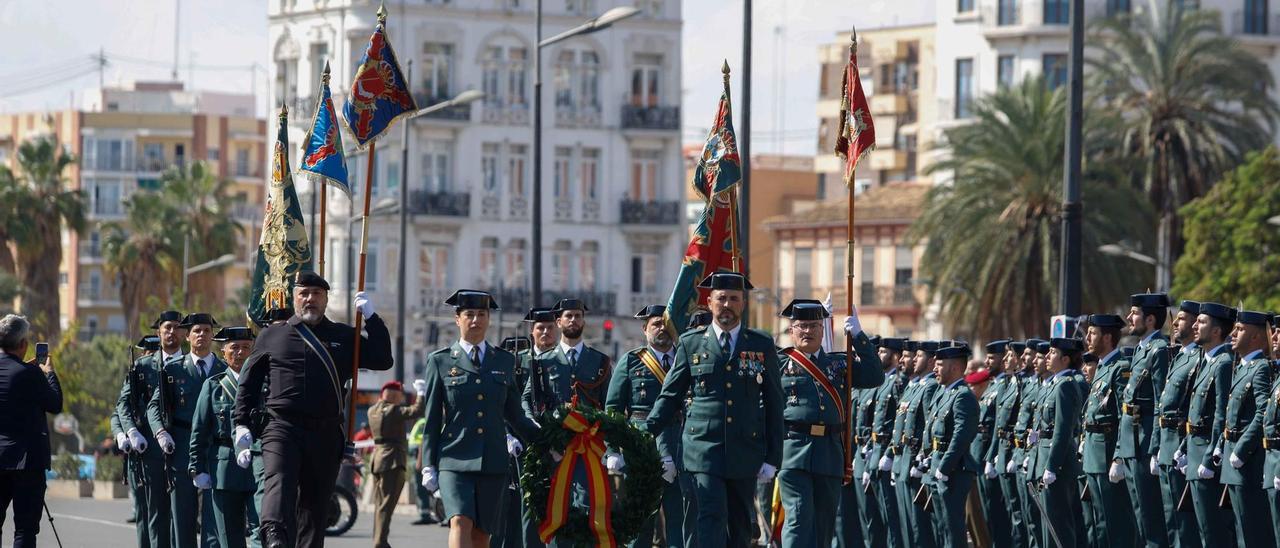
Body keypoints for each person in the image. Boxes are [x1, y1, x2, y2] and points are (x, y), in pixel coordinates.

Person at [232, 271, 393, 548]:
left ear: (326, 299)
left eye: (316, 294)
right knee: (279, 480)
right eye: (303, 293)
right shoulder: (273, 335)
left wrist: (372, 318)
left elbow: (383, 359)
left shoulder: (344, 335)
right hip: (282, 427)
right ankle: (273, 534)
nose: (310, 299)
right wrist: (241, 424)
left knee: (314, 509)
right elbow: (249, 383)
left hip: (325, 432)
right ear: (294, 298)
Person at [644, 272, 784, 548]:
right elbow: (670, 396)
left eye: (734, 299)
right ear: (710, 302)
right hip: (703, 449)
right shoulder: (690, 343)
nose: (727, 305)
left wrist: (773, 457)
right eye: (721, 299)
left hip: (745, 449)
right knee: (710, 516)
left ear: (743, 303)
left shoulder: (761, 344)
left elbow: (774, 402)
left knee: (741, 525)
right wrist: (644, 431)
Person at [418, 290, 540, 548]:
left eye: (481, 315)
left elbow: (515, 413)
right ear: (457, 319)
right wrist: (428, 463)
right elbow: (431, 418)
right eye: (469, 314)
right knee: (460, 520)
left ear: (489, 319)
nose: (476, 320)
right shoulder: (439, 361)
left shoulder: (504, 360)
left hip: (493, 460)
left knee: (482, 533)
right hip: (454, 458)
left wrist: (545, 439)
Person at [774, 300, 881, 548]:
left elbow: (875, 376)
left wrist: (859, 336)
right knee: (799, 519)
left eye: (813, 325)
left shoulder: (838, 364)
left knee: (823, 526)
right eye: (801, 326)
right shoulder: (779, 363)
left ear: (823, 330)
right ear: (791, 331)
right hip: (793, 452)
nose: (807, 331)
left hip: (829, 453)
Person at [605, 304, 693, 548]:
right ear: (645, 329)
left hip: (682, 447)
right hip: (641, 449)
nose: (662, 329)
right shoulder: (631, 362)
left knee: (679, 520)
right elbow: (613, 409)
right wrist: (613, 448)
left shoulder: (687, 359)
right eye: (656, 324)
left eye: (666, 323)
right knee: (641, 522)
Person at [149, 312, 226, 548]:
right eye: (196, 331)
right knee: (182, 518)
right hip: (181, 448)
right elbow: (154, 407)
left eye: (206, 330)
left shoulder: (224, 370)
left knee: (215, 519)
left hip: (214, 449)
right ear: (187, 336)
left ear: (212, 335)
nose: (201, 335)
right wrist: (160, 432)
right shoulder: (173, 370)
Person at [189, 326, 259, 548]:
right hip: (224, 468)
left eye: (246, 348)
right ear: (223, 353)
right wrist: (197, 468)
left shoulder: (265, 383)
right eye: (234, 348)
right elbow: (199, 429)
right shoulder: (213, 386)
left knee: (263, 532)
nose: (240, 353)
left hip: (259, 463)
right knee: (229, 536)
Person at [119, 311, 185, 548]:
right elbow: (123, 404)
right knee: (155, 514)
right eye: (167, 327)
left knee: (181, 517)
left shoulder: (188, 365)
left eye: (177, 327)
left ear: (184, 333)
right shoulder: (142, 366)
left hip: (181, 447)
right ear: (159, 332)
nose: (171, 332)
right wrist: (131, 431)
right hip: (150, 451)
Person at [0, 314, 62, 548]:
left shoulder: (25, 373)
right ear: (24, 344)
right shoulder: (31, 374)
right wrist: (49, 374)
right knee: (25, 529)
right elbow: (55, 404)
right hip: (27, 463)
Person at [1118, 292, 1172, 548]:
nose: (1129, 317)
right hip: (1132, 439)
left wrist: (1156, 446)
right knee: (1137, 513)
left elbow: (1163, 400)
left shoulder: (1159, 350)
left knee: (1150, 517)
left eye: (1135, 313)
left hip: (1145, 437)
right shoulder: (1142, 349)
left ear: (1150, 319)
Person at [1217, 310, 1274, 547]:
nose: (1233, 333)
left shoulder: (1260, 368)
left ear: (1255, 337)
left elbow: (1263, 412)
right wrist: (1221, 444)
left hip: (1247, 463)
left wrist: (1240, 450)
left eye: (1240, 330)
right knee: (1241, 531)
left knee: (1252, 533)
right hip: (1234, 461)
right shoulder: (1240, 367)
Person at [1080, 314, 1136, 548]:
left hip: (1107, 451)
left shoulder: (1120, 368)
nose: (1087, 338)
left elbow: (1126, 415)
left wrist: (1119, 455)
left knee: (1115, 521)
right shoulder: (1102, 368)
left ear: (1107, 337)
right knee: (1100, 520)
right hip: (1094, 452)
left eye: (1092, 333)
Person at [1150, 300, 1203, 547]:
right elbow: (1161, 405)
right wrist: (1157, 446)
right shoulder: (1180, 357)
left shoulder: (1198, 359)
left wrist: (1181, 447)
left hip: (1182, 446)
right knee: (1171, 520)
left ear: (1195, 324)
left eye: (1181, 318)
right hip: (1167, 443)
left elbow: (1195, 410)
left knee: (1185, 524)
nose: (1174, 323)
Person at [1186, 302, 1236, 546]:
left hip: (1206, 454)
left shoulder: (1223, 363)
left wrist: (1208, 458)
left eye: (1202, 322)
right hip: (1194, 452)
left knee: (1214, 532)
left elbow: (1220, 415)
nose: (1195, 325)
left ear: (1217, 331)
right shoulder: (1206, 361)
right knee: (1202, 531)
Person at [919, 343, 978, 547]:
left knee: (953, 528)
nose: (934, 368)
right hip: (937, 465)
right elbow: (931, 429)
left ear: (954, 368)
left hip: (954, 470)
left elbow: (962, 436)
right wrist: (925, 457)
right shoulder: (943, 393)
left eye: (940, 364)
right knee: (941, 526)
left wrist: (944, 467)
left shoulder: (963, 395)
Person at [1032, 338, 1089, 548]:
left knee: (1059, 526)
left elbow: (1063, 430)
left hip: (1058, 465)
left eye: (1052, 353)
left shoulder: (1065, 385)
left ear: (1065, 359)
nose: (1047, 357)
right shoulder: (1055, 384)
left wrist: (1052, 466)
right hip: (1045, 458)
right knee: (1049, 525)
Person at [856, 336, 907, 548]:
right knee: (870, 518)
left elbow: (897, 423)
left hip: (885, 455)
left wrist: (886, 453)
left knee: (890, 519)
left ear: (896, 357)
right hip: (870, 454)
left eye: (884, 352)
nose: (878, 355)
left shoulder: (896, 383)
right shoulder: (877, 383)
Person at [524, 298, 612, 413]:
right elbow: (526, 399)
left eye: (577, 316)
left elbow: (609, 402)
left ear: (583, 322)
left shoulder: (600, 361)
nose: (573, 320)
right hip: (553, 428)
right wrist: (533, 423)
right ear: (559, 323)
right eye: (569, 316)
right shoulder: (543, 360)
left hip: (589, 429)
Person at [368, 379, 426, 548]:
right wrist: (421, 393)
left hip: (377, 459)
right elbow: (417, 410)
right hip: (392, 460)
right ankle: (380, 542)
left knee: (380, 505)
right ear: (393, 395)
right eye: (400, 395)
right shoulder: (393, 410)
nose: (401, 399)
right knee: (387, 505)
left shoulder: (372, 410)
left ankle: (377, 540)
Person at [975, 340, 1013, 548]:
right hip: (981, 454)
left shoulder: (1003, 386)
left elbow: (999, 424)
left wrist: (991, 456)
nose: (988, 361)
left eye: (992, 357)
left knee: (998, 516)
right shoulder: (993, 385)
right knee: (987, 514)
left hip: (991, 452)